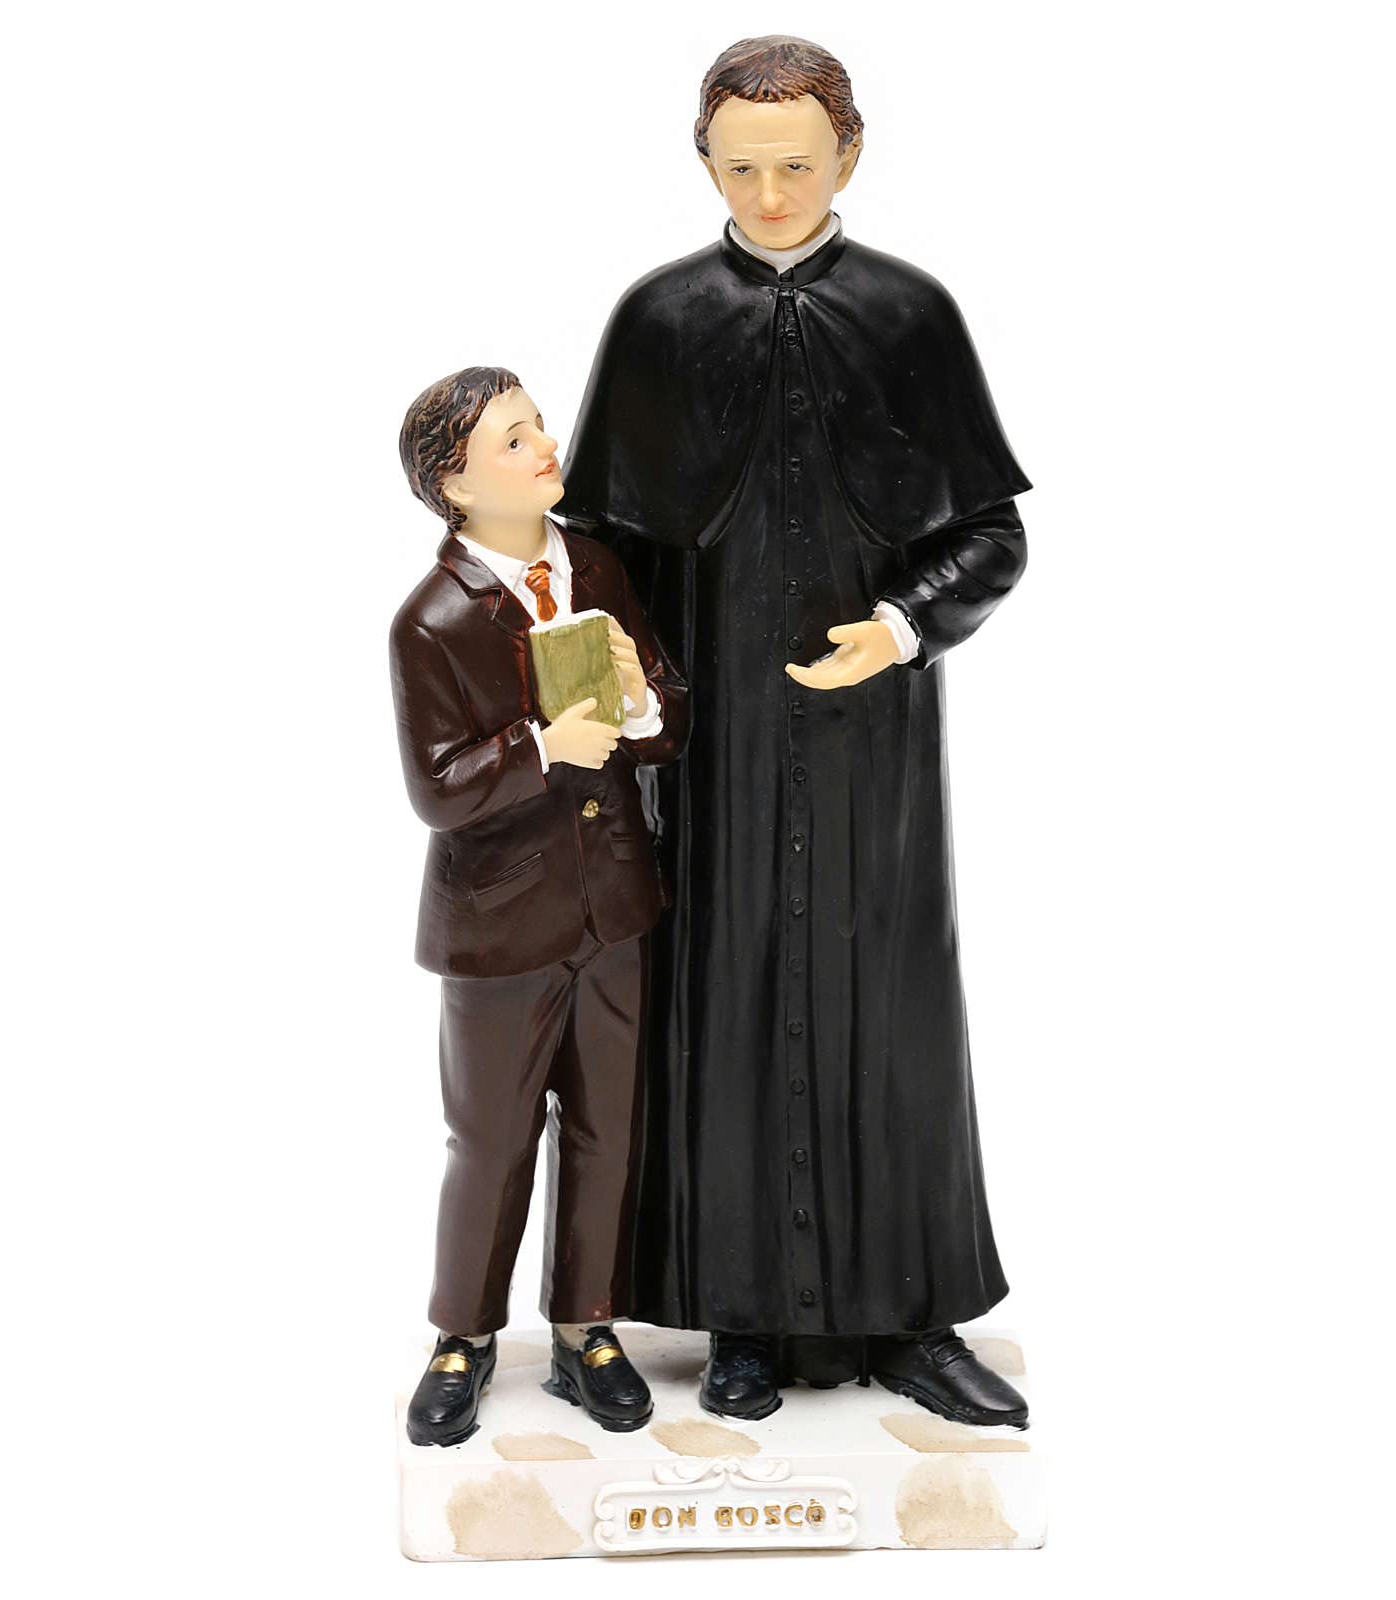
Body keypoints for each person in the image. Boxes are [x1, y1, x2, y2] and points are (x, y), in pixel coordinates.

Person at [560, 37, 1031, 1426]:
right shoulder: (656, 319)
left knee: (894, 1014)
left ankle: (912, 1316)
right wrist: (601, 697)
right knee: (722, 1004)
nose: (769, 197)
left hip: (874, 754)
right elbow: (595, 550)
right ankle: (741, 1315)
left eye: (798, 166)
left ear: (851, 155)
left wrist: (899, 626)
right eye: (740, 168)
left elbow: (989, 535)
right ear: (703, 162)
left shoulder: (911, 315)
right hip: (708, 753)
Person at [390, 367, 688, 1445]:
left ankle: (585, 1325)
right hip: (500, 929)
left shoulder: (597, 567)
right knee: (491, 1138)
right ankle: (462, 1335)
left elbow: (668, 723)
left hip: (613, 910)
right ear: (458, 487)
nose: (544, 447)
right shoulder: (430, 621)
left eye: (538, 427)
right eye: (512, 442)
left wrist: (641, 695)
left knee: (607, 1130)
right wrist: (538, 746)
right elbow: (437, 790)